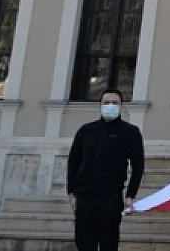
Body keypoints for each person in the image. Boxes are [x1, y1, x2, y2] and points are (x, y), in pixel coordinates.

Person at [67, 88, 145, 251]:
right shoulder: (86, 131)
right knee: (84, 242)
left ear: (121, 106)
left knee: (108, 243)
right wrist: (71, 192)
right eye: (106, 103)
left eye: (114, 103)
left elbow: (138, 165)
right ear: (100, 105)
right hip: (85, 196)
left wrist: (130, 195)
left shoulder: (130, 132)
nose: (110, 106)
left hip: (110, 195)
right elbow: (74, 161)